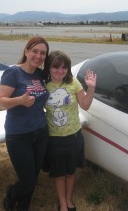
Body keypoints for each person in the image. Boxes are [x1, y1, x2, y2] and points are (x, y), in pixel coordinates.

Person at [0, 37, 50, 211]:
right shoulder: (13, 73)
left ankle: (23, 206)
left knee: (33, 177)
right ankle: (11, 195)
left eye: (43, 53)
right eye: (35, 51)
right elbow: (1, 102)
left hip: (40, 132)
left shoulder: (40, 75)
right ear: (26, 51)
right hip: (19, 135)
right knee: (27, 181)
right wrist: (20, 100)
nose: (38, 55)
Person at [43, 50, 97, 211]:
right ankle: (63, 204)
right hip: (55, 138)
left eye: (64, 68)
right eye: (56, 67)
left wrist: (91, 88)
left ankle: (68, 199)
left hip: (74, 136)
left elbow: (85, 105)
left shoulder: (74, 83)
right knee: (59, 174)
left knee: (71, 172)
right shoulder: (44, 85)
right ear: (49, 68)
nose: (60, 71)